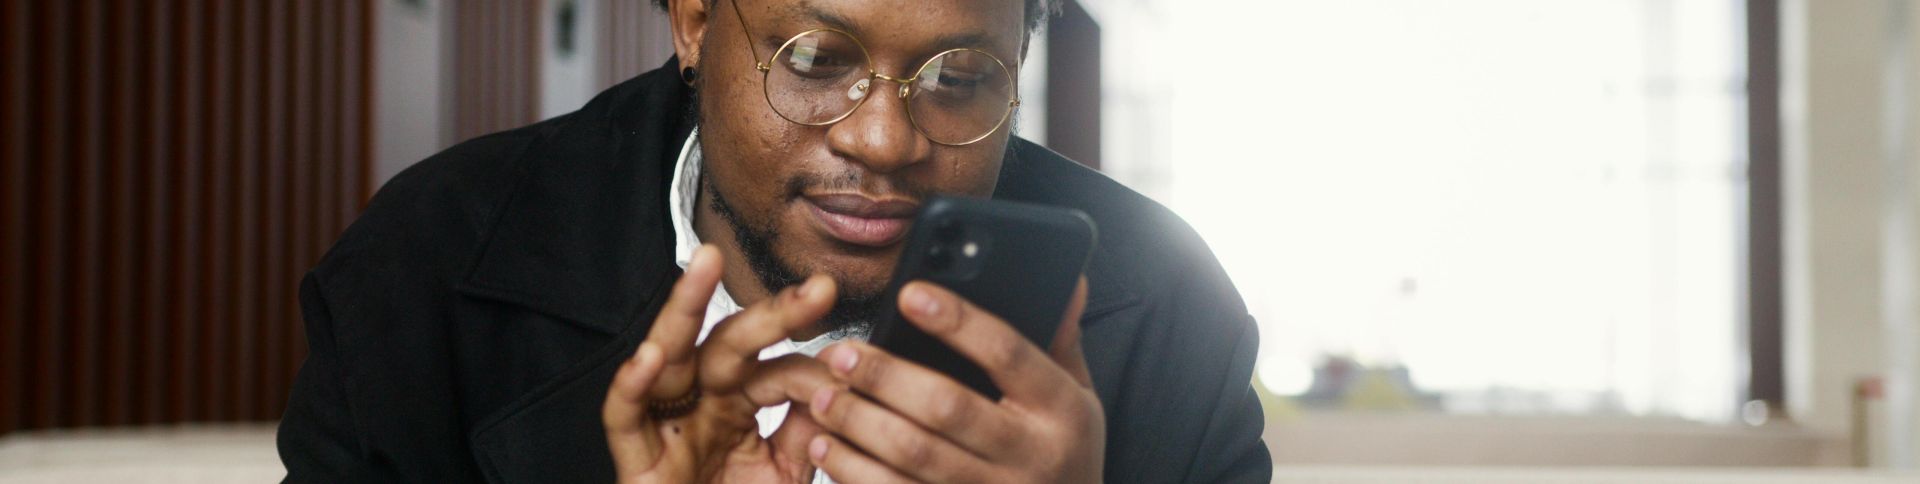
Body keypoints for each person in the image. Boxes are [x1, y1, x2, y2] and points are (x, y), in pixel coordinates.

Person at [276, 0, 1269, 481]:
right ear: (695, 21)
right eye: (815, 59)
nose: (882, 140)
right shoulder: (421, 274)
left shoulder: (1171, 314)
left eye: (960, 78)